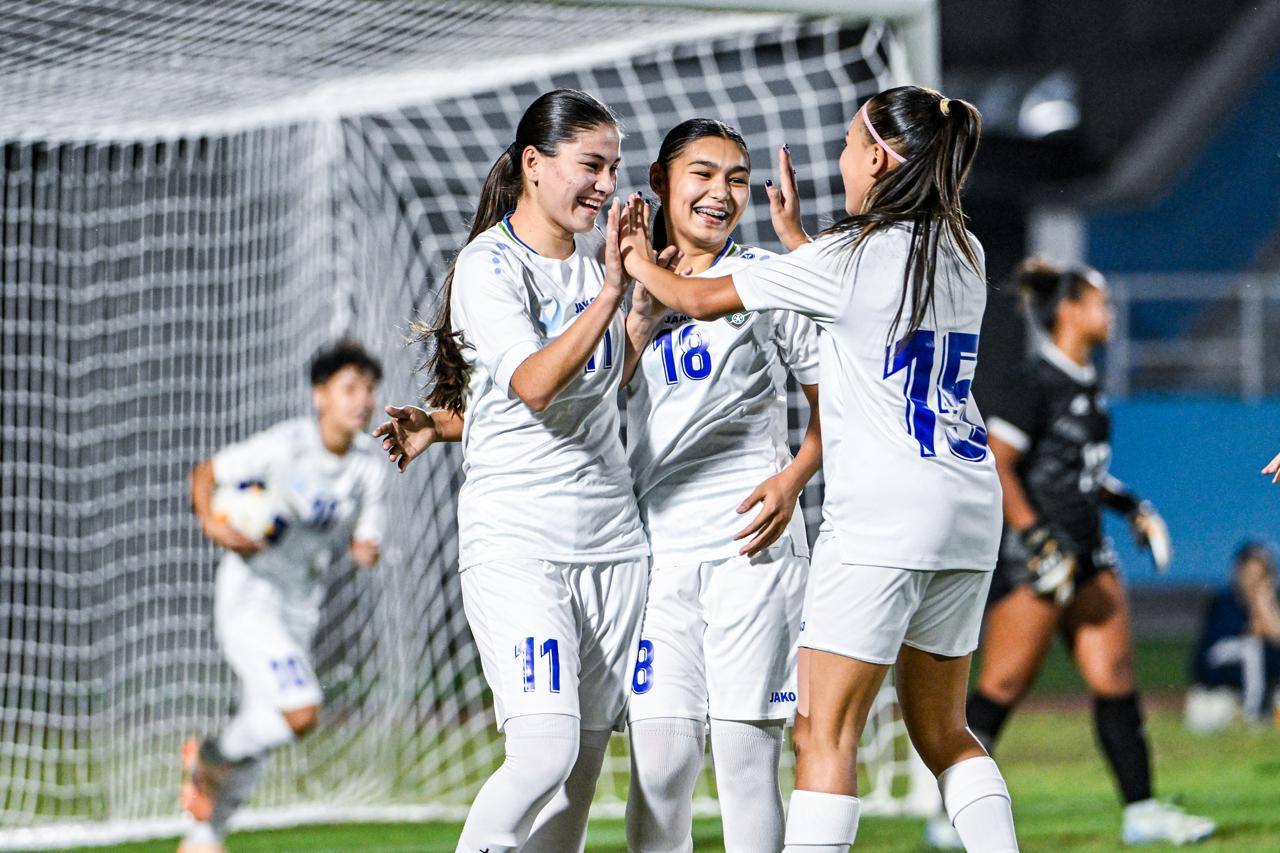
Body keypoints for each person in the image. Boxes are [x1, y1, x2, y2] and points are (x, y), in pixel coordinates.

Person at [615, 85, 1019, 853]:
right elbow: (870, 301)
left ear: (879, 159)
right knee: (945, 729)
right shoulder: (963, 248)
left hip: (883, 517)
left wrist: (634, 258)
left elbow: (696, 298)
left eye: (848, 144)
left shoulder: (846, 258)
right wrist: (800, 240)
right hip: (968, 506)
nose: (840, 158)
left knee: (822, 732)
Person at [382, 89, 670, 853]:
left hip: (612, 548)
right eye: (590, 165)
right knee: (543, 749)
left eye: (613, 167)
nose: (606, 184)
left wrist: (639, 319)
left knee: (577, 776)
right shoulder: (491, 265)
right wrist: (614, 294)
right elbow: (536, 384)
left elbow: (593, 388)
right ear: (534, 164)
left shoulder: (592, 266)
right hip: (520, 546)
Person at [951, 259, 1214, 847]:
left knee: (1116, 678)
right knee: (1003, 686)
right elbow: (999, 465)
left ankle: (1142, 811)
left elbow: (1080, 472)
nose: (1109, 313)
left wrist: (1131, 507)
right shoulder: (1035, 381)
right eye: (1099, 302)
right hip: (1039, 562)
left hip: (1090, 555)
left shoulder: (1084, 380)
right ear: (1068, 311)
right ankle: (953, 813)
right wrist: (1037, 540)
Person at [621, 119, 821, 852]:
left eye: (736, 179)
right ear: (661, 182)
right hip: (656, 554)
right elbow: (585, 407)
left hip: (752, 549)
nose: (721, 193)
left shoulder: (766, 279)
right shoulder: (613, 285)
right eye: (702, 174)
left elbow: (835, 403)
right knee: (660, 764)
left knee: (744, 758)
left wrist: (794, 479)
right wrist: (635, 322)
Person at [179, 340, 387, 853]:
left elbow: (367, 534)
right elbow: (207, 472)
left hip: (300, 607)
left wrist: (365, 547)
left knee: (265, 725)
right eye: (349, 388)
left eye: (368, 389)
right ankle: (209, 757)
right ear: (320, 395)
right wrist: (212, 523)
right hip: (251, 599)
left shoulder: (369, 465)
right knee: (301, 712)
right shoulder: (286, 446)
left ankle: (205, 835)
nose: (362, 400)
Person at [1186, 541, 1280, 728]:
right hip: (1218, 677)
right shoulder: (1226, 601)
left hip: (1259, 681)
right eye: (1250, 573)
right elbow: (1241, 637)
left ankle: (1259, 710)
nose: (1254, 580)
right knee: (1251, 648)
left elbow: (1275, 636)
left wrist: (1264, 603)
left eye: (1260, 575)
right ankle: (1254, 717)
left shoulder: (1272, 600)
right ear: (1239, 572)